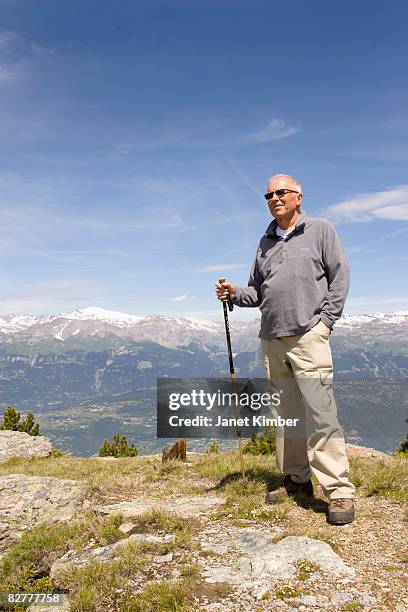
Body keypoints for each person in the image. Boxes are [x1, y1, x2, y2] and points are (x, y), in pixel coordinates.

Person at [215, 173, 355, 525]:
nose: (275, 198)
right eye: (269, 194)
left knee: (321, 414)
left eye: (282, 192)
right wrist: (233, 293)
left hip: (309, 336)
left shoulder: (320, 230)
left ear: (299, 197)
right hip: (272, 339)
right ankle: (296, 479)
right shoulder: (264, 242)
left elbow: (340, 277)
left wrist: (326, 323)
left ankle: (338, 492)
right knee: (287, 415)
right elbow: (257, 292)